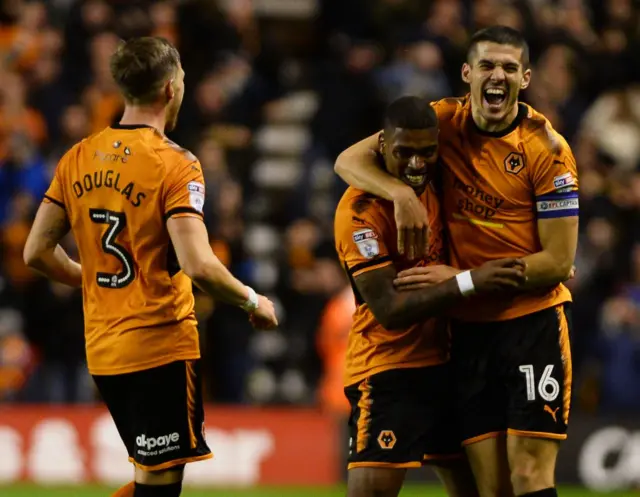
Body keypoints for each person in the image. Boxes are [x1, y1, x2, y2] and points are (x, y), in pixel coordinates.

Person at [23, 36, 278, 497]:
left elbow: (35, 252)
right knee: (160, 486)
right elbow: (199, 265)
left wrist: (94, 283)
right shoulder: (176, 164)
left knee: (151, 478)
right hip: (159, 344)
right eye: (180, 80)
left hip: (103, 349)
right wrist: (252, 299)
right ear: (169, 90)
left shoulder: (76, 157)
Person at [334, 27, 578, 497]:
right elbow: (349, 159)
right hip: (466, 335)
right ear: (467, 74)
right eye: (487, 65)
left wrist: (466, 279)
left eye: (509, 67)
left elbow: (560, 262)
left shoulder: (548, 150)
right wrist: (401, 193)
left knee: (529, 475)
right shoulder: (440, 123)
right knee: (491, 489)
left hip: (531, 325)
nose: (497, 75)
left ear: (525, 78)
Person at [335, 95, 529, 497]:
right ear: (383, 146)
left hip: (454, 363)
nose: (417, 164)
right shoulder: (360, 211)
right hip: (391, 368)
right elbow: (388, 308)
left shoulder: (440, 179)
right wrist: (470, 281)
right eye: (405, 152)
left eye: (427, 152)